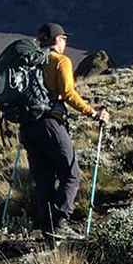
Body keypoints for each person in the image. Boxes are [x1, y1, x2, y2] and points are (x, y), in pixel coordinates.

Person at [24, 23, 109, 241]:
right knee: (71, 174)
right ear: (57, 39)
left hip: (27, 126)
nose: (65, 42)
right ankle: (60, 222)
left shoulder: (28, 62)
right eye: (63, 38)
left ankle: (48, 230)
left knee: (43, 178)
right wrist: (92, 113)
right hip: (50, 123)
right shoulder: (60, 61)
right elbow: (68, 93)